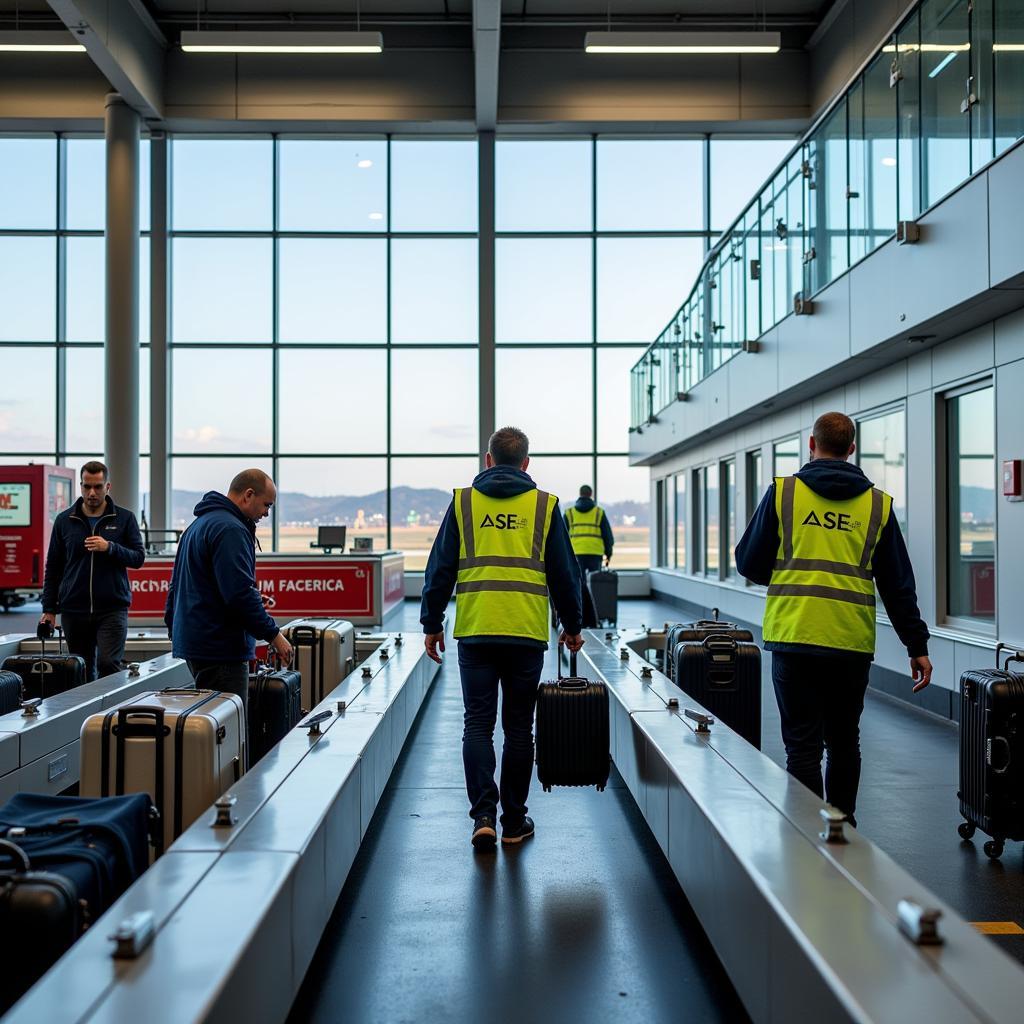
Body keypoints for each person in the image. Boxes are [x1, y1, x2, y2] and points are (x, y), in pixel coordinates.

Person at [735, 412, 932, 826]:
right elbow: (898, 584)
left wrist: (789, 569)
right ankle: (843, 831)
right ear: (852, 449)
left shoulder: (784, 494)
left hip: (796, 636)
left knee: (802, 748)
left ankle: (808, 835)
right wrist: (917, 646)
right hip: (849, 644)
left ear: (812, 444)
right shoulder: (877, 505)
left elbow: (748, 563)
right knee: (844, 743)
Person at [421, 427, 584, 852]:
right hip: (525, 633)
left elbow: (439, 569)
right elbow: (566, 575)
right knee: (518, 729)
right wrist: (572, 625)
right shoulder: (545, 506)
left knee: (477, 724)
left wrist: (431, 622)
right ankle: (514, 820)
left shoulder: (463, 502)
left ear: (488, 460)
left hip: (475, 631)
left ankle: (483, 817)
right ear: (526, 463)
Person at [164, 469, 292, 719]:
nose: (266, 513)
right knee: (228, 731)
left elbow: (176, 585)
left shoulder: (198, 524)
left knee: (209, 727)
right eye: (266, 505)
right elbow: (239, 594)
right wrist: (273, 634)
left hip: (196, 642)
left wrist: (175, 630)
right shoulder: (230, 529)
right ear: (248, 495)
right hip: (220, 647)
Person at [40, 461, 145, 681]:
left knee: (108, 664)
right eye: (87, 486)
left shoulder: (125, 519)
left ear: (108, 487)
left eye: (97, 487)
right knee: (80, 669)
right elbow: (54, 567)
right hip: (73, 609)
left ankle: (110, 714)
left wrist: (110, 548)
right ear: (80, 486)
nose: (91, 493)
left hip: (112, 608)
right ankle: (85, 715)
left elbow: (138, 558)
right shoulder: (64, 521)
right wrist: (49, 609)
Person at [564, 484, 614, 574]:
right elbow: (607, 536)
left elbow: (562, 536)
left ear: (580, 494)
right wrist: (608, 553)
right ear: (591, 494)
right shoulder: (599, 512)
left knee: (578, 582)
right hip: (595, 553)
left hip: (576, 552)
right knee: (595, 583)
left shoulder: (569, 513)